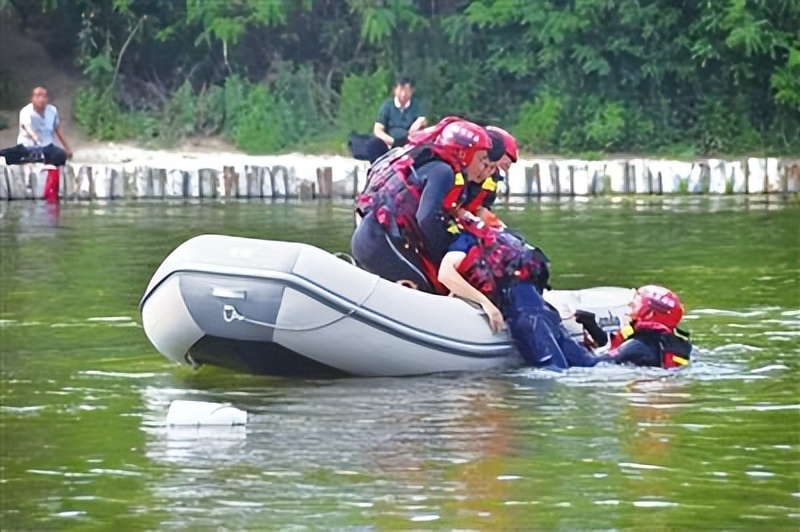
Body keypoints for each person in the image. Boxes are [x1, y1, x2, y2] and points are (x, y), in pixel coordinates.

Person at [437, 212, 600, 370]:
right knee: (589, 364)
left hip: (525, 316)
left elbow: (445, 274)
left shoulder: (464, 240)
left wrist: (486, 304)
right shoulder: (503, 237)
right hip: (544, 311)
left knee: (553, 369)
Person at [351, 118, 492, 293]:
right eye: (480, 159)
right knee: (429, 290)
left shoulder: (421, 161)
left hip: (368, 234)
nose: (483, 167)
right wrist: (444, 252)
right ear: (463, 153)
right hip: (382, 243)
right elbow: (426, 218)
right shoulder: (443, 171)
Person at [0, 87, 73, 202]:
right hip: (27, 147)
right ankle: (34, 159)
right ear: (32, 98)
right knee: (7, 154)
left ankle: (39, 160)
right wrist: (34, 137)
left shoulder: (52, 111)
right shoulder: (26, 111)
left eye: (43, 96)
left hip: (47, 147)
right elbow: (26, 126)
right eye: (38, 96)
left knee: (61, 155)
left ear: (47, 98)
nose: (41, 99)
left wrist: (67, 148)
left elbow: (57, 129)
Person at [597, 285, 692, 368]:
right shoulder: (677, 345)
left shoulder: (637, 347)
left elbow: (591, 363)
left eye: (634, 305)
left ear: (650, 314)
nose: (629, 310)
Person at [348, 76, 427, 164]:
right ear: (395, 90)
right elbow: (377, 130)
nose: (403, 94)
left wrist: (419, 121)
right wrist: (392, 141)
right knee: (373, 144)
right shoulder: (388, 106)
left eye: (407, 90)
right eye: (401, 90)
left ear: (412, 91)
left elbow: (424, 121)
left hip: (409, 143)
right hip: (389, 143)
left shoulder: (416, 106)